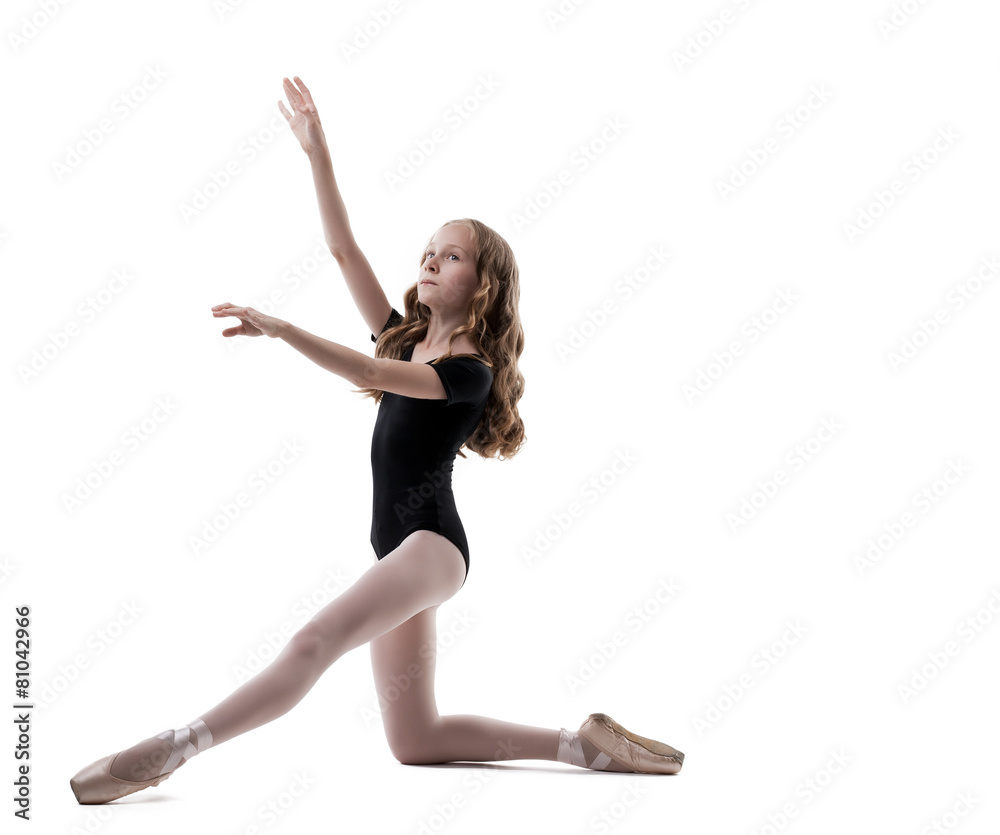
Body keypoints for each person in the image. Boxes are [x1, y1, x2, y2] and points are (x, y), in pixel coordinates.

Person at [69, 76, 683, 805]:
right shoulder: (407, 337)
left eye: (451, 255)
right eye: (428, 248)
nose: (430, 258)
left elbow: (367, 369)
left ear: (483, 285)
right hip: (397, 549)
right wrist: (316, 154)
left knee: (311, 643)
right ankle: (578, 744)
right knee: (413, 739)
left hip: (430, 545)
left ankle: (176, 746)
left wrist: (283, 327)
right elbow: (341, 249)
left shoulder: (467, 372)